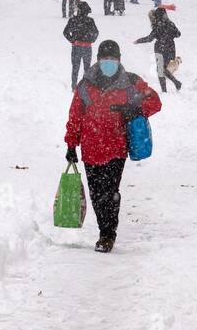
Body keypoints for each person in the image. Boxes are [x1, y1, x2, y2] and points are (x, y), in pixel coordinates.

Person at [64, 40, 163, 253]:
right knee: (96, 194)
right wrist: (71, 145)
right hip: (90, 149)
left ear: (119, 60)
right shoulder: (85, 86)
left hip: (116, 149)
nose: (109, 63)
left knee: (109, 192)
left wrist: (135, 109)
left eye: (113, 59)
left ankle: (107, 235)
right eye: (105, 59)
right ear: (98, 60)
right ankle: (104, 229)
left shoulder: (131, 83)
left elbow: (155, 102)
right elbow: (75, 117)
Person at [134, 6, 182, 92]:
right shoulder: (170, 23)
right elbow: (178, 34)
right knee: (162, 69)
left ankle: (166, 89)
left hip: (160, 48)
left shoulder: (157, 26)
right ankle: (176, 82)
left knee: (160, 70)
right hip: (170, 48)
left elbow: (149, 39)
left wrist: (138, 41)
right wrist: (171, 33)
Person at [63, 0, 98, 90]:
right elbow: (96, 33)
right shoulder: (90, 21)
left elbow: (65, 32)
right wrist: (91, 40)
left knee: (75, 67)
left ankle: (74, 86)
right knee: (87, 68)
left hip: (76, 47)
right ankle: (86, 86)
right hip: (87, 47)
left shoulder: (73, 20)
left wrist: (72, 40)